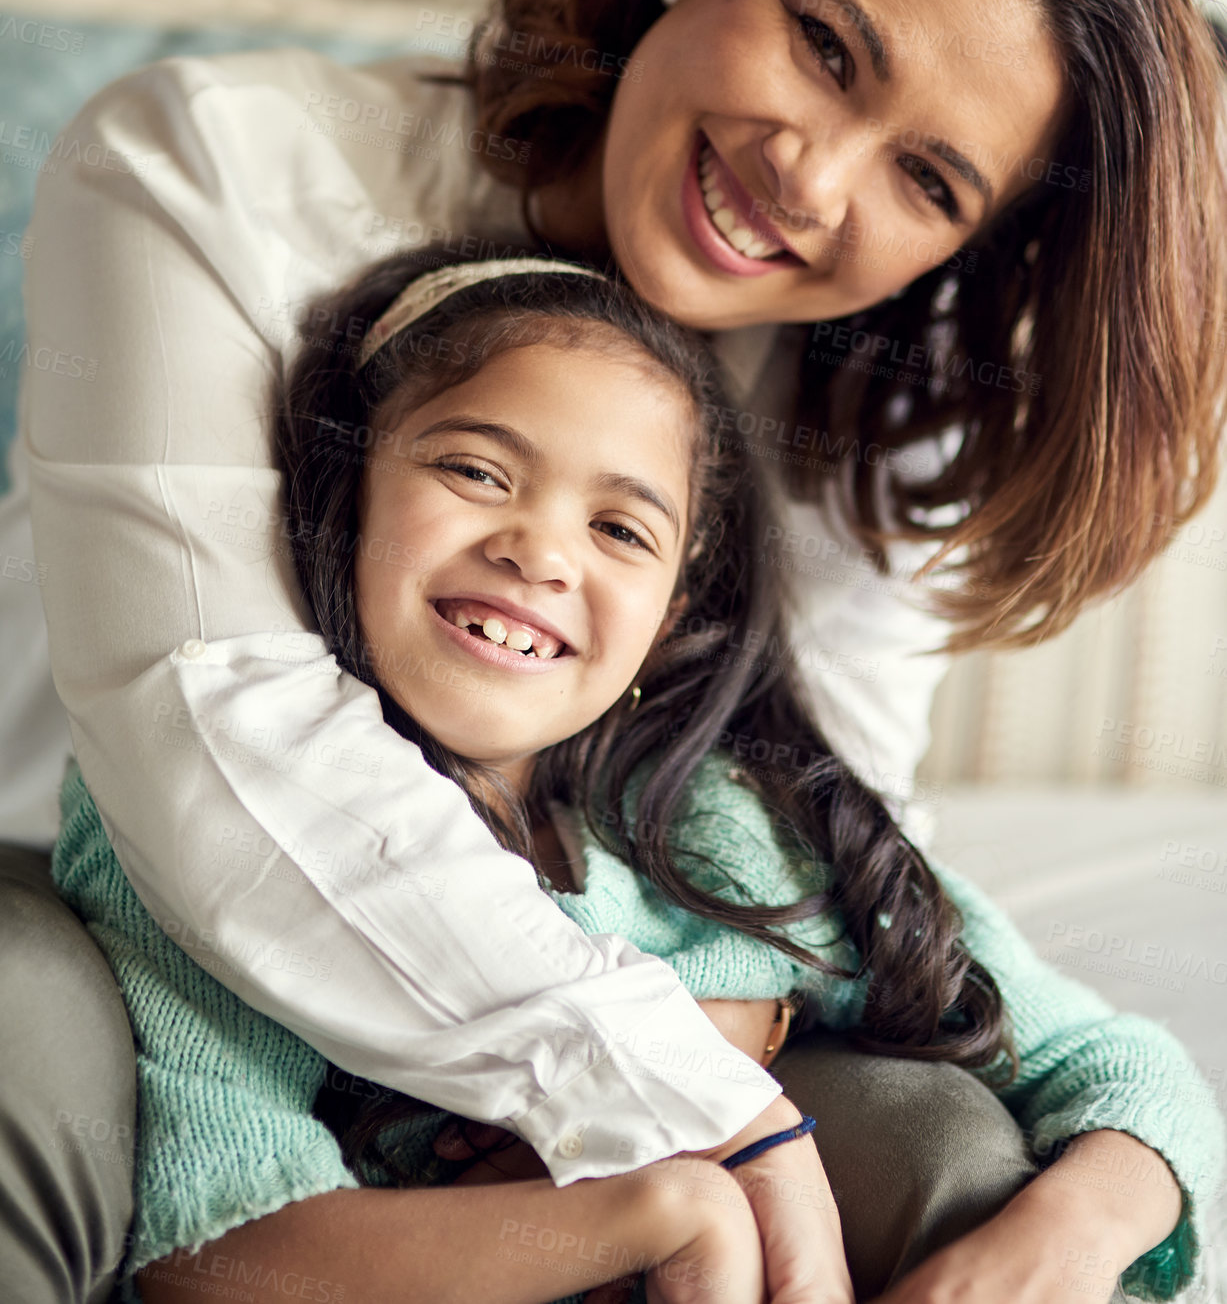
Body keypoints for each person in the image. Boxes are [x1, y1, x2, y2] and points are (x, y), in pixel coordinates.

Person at [3, 0, 1224, 1301]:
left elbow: (805, 869)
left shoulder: (852, 439)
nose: (808, 174)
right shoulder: (213, 165)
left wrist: (1082, 1196)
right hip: (87, 885)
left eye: (924, 179)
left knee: (940, 1147)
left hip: (602, 986)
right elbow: (215, 754)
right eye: (824, 46)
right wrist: (682, 1112)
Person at [51, 253, 1222, 1304]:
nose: (542, 550)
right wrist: (663, 1208)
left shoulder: (746, 829)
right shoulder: (211, 829)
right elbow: (220, 1247)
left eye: (621, 530)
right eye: (475, 468)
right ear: (344, 491)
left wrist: (1066, 1229)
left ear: (671, 616)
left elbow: (1126, 1066)